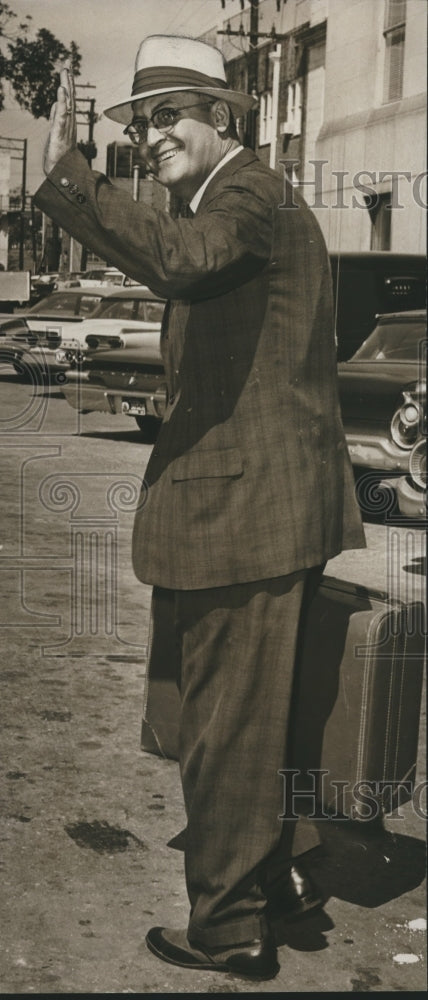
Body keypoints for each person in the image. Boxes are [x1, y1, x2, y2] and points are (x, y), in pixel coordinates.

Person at [35, 34, 366, 982]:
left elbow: (182, 261)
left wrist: (71, 171)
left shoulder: (245, 194)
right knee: (206, 715)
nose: (148, 136)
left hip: (245, 517)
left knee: (230, 730)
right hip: (238, 511)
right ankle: (281, 879)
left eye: (166, 117)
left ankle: (230, 930)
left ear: (222, 117)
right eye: (139, 123)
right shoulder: (227, 199)